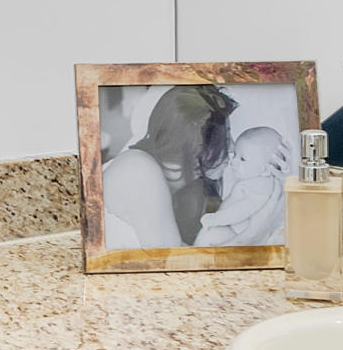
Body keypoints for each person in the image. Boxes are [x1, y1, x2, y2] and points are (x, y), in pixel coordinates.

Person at [98, 84, 292, 249]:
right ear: (193, 147)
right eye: (224, 138)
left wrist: (272, 185)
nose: (232, 147)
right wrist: (255, 235)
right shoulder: (137, 171)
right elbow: (174, 267)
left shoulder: (196, 184)